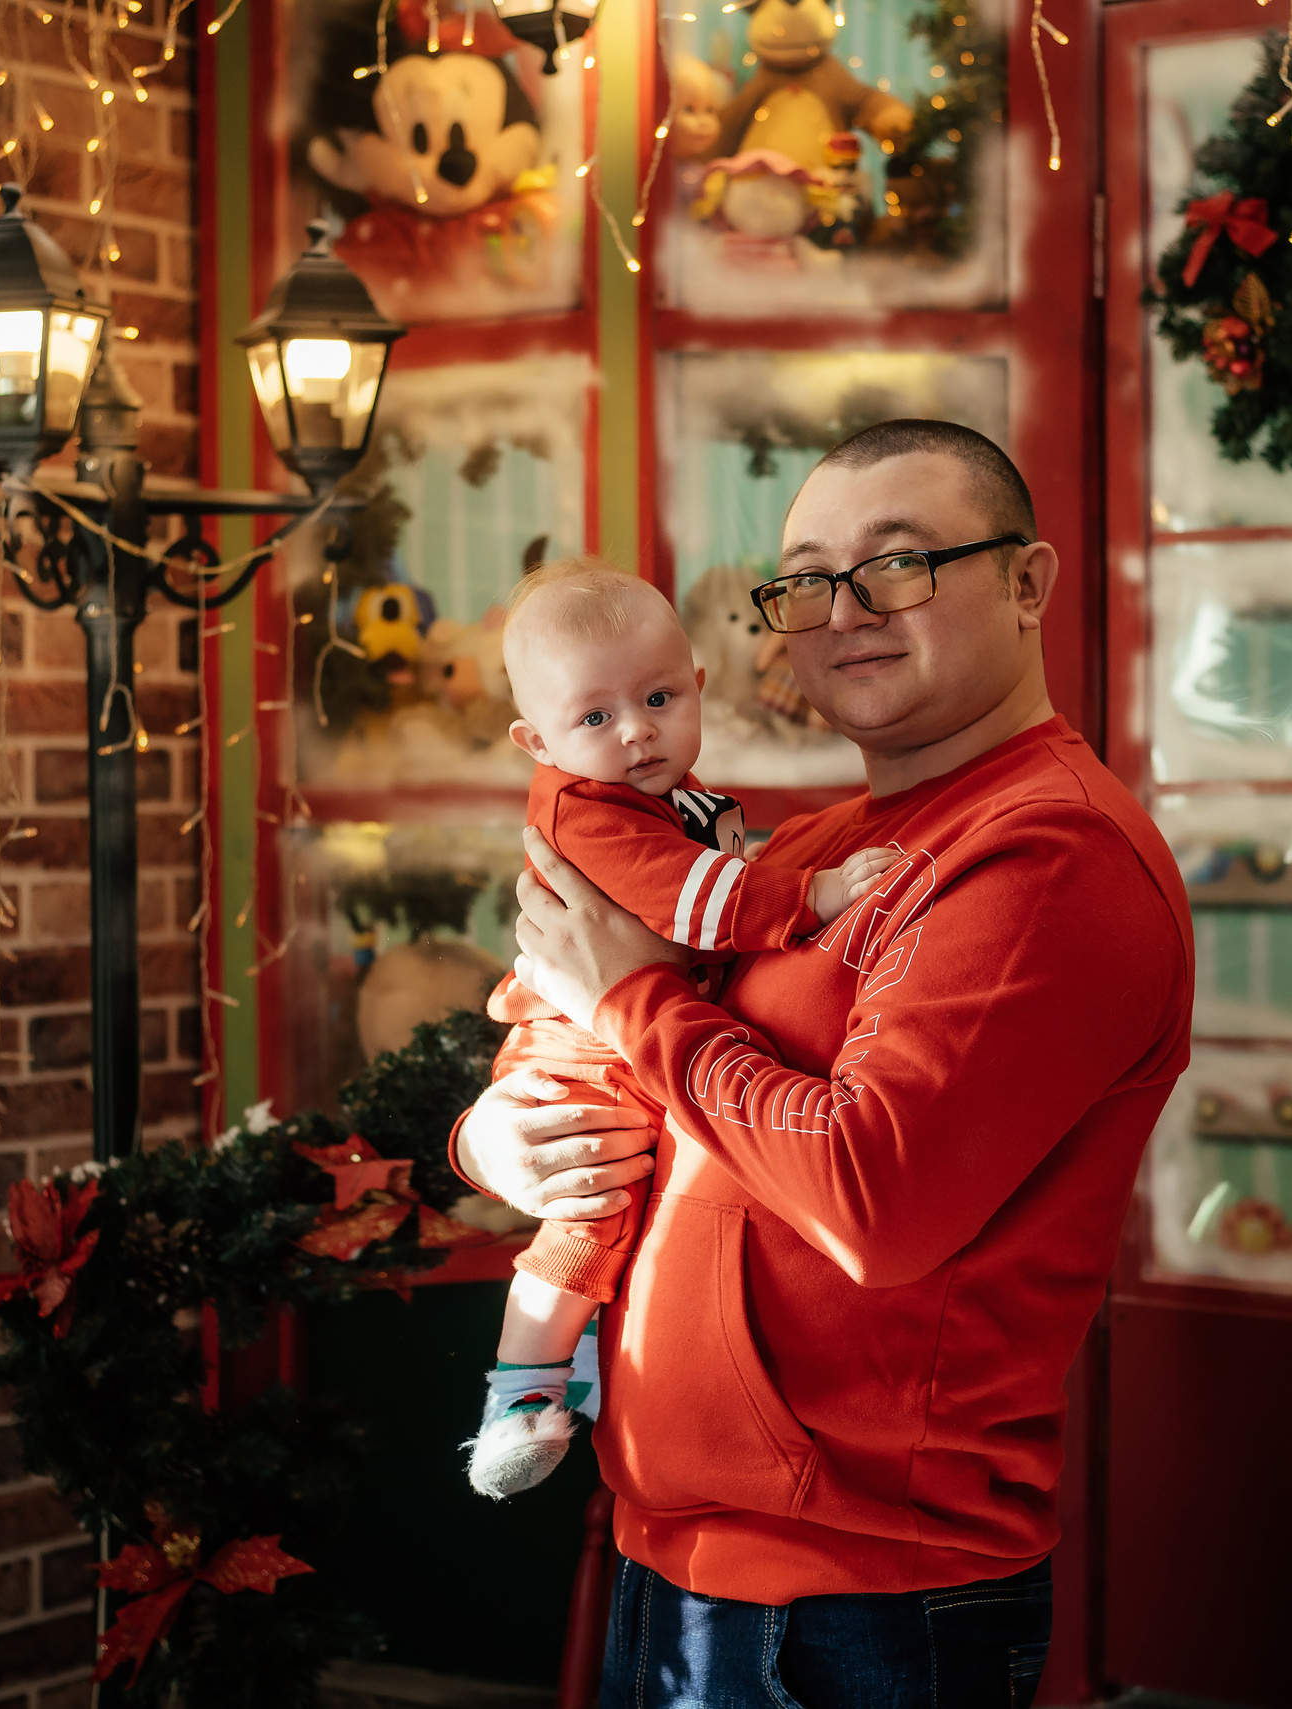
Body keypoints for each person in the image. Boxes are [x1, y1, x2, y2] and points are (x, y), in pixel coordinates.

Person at [451, 421, 1194, 1708]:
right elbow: (617, 1056)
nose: (842, 611)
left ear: (1028, 582)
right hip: (671, 1548)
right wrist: (502, 1135)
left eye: (896, 565)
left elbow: (867, 1192)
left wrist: (626, 993)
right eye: (805, 579)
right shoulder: (813, 850)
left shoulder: (1043, 859)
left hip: (856, 1601)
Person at [464, 556, 895, 1498]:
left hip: (613, 1031)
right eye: (594, 718)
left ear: (700, 685)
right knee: (590, 1207)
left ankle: (564, 1371)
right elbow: (692, 895)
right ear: (535, 741)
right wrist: (812, 894)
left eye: (660, 696)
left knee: (604, 1200)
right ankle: (518, 1392)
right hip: (584, 1046)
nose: (637, 731)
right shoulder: (593, 812)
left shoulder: (664, 797)